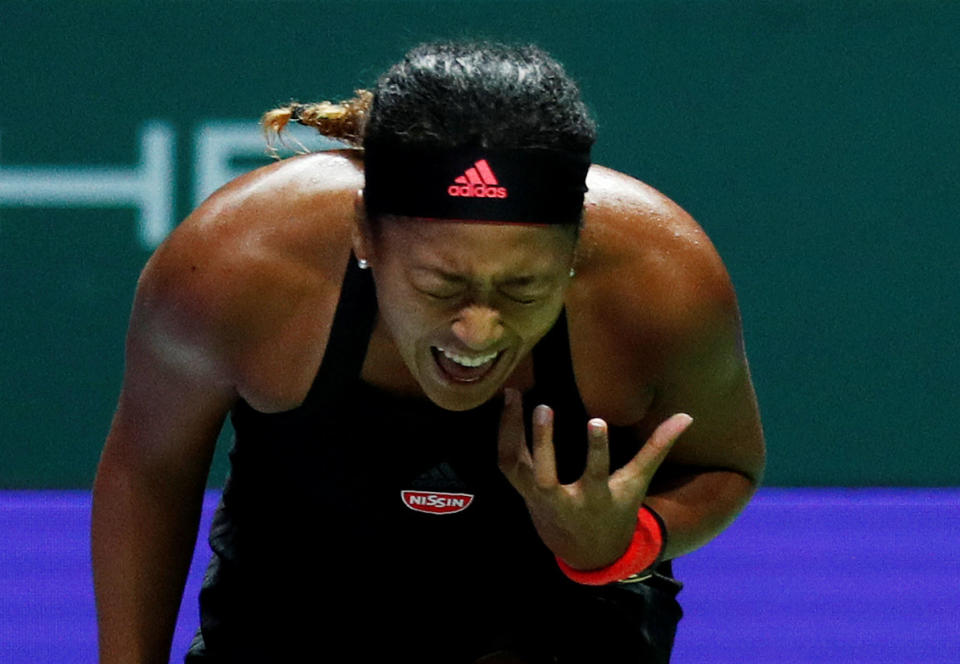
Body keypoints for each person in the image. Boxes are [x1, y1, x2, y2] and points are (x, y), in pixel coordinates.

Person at [92, 41, 764, 664]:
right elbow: (150, 471)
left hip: (566, 619)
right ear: (364, 234)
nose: (478, 332)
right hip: (294, 602)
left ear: (575, 247)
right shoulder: (234, 267)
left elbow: (724, 467)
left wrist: (623, 541)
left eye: (522, 287)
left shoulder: (663, 284)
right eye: (439, 286)